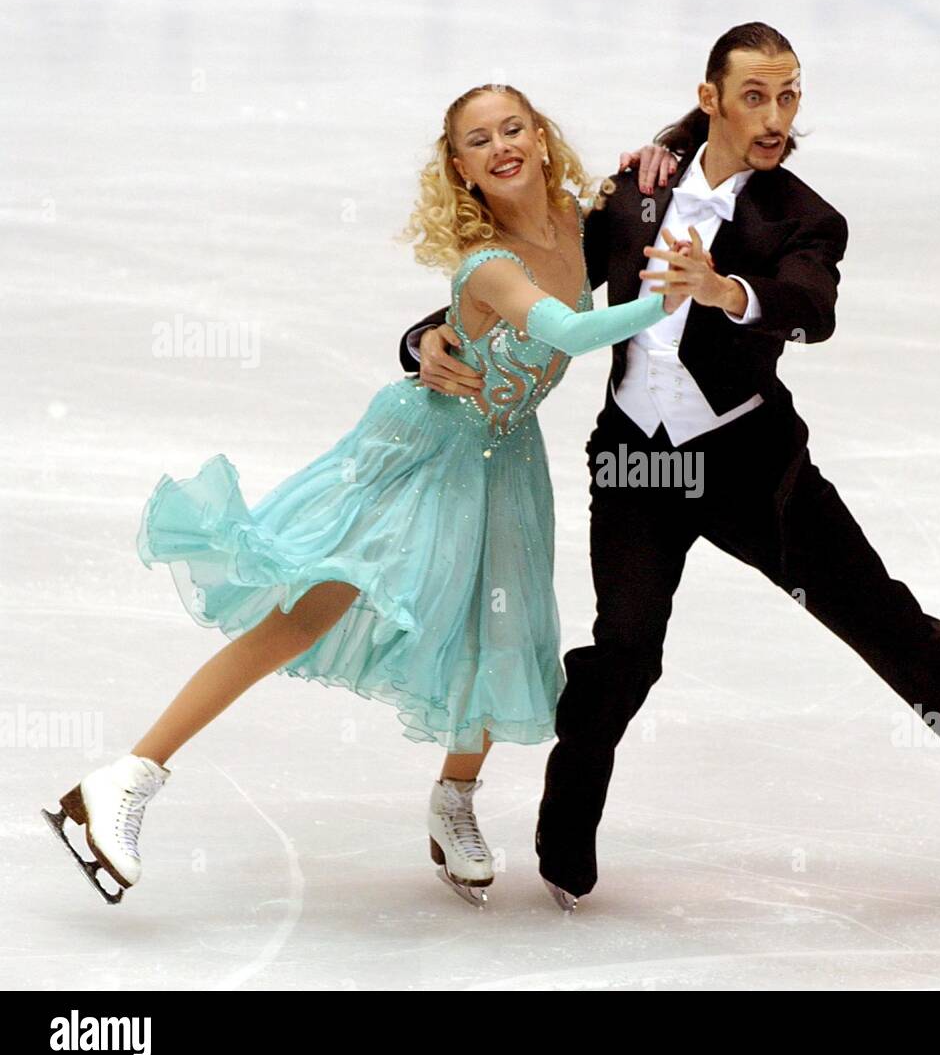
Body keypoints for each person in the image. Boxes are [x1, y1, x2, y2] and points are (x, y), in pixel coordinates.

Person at [401, 23, 940, 913]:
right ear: (711, 100)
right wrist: (422, 339)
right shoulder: (629, 198)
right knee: (623, 653)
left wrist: (726, 289)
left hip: (753, 467)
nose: (776, 116)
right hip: (637, 464)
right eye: (756, 96)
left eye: (790, 94)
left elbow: (811, 309)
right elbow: (522, 282)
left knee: (887, 625)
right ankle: (564, 830)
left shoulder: (802, 216)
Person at [43, 82, 683, 908]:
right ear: (461, 168)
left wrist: (664, 146)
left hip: (506, 457)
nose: (502, 147)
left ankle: (454, 799)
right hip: (428, 446)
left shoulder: (578, 219)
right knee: (311, 608)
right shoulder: (489, 261)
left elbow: (693, 138)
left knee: (495, 627)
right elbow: (563, 331)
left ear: (543, 135)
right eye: (479, 141)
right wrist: (669, 296)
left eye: (514, 127)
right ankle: (122, 779)